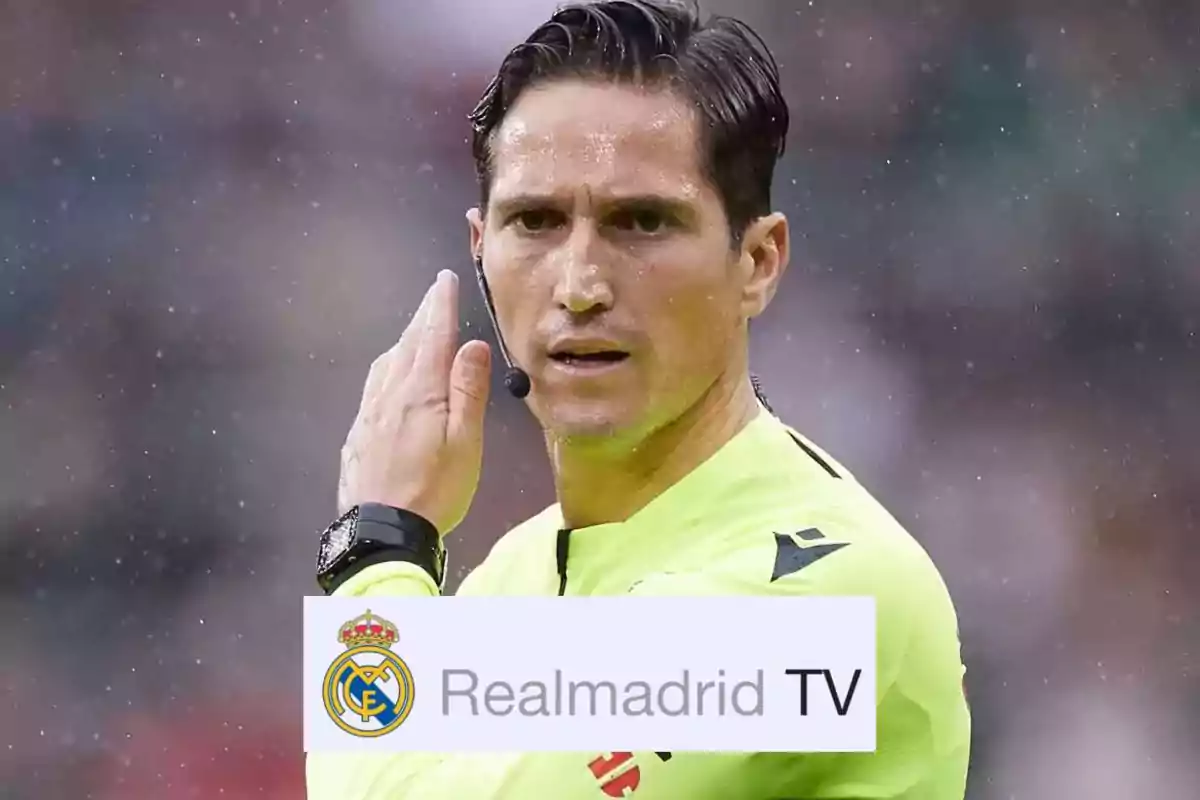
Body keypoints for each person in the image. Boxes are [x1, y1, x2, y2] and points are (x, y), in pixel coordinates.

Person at [306, 1, 971, 797]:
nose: (580, 286)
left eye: (643, 222)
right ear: (481, 252)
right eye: (537, 222)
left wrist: (378, 550)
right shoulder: (508, 579)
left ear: (757, 260)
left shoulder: (834, 600)